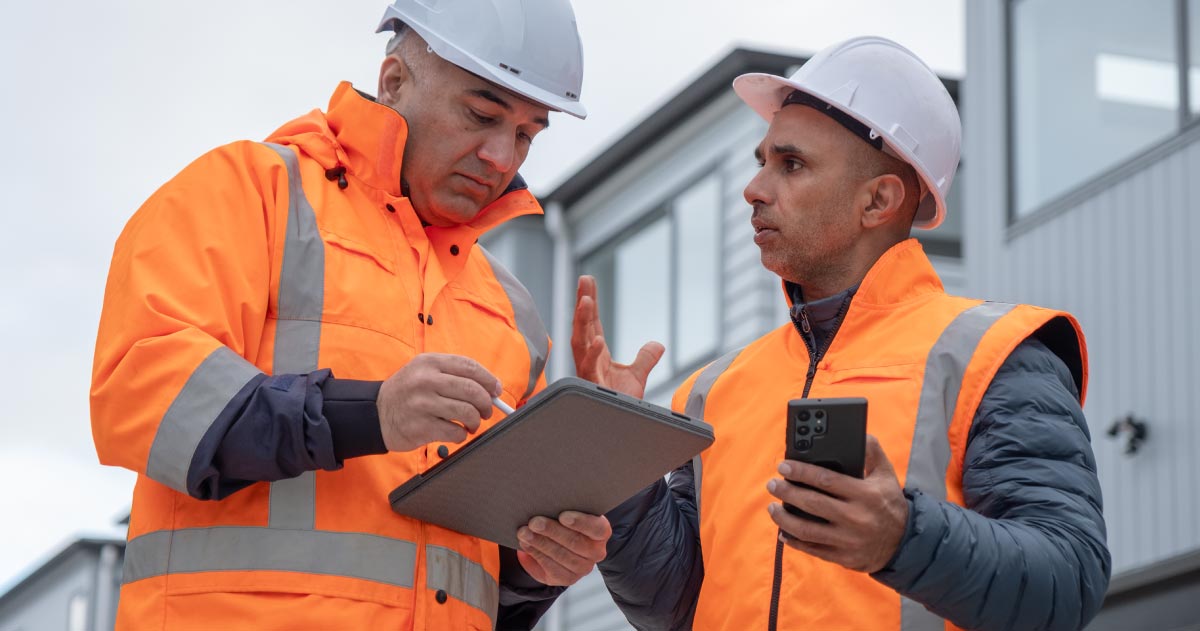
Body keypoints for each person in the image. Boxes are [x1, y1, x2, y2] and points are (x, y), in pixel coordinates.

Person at [90, 2, 655, 628]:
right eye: (481, 114)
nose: (502, 156)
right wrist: (373, 413)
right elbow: (141, 395)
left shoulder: (509, 309)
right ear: (393, 82)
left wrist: (537, 563)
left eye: (527, 133)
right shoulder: (248, 194)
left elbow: (477, 581)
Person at [578, 36, 1111, 630]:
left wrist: (902, 538)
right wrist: (618, 455)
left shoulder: (991, 355)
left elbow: (1068, 580)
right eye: (762, 162)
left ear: (878, 200)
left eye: (791, 164)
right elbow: (679, 608)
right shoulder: (715, 390)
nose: (753, 189)